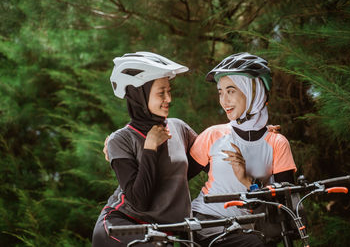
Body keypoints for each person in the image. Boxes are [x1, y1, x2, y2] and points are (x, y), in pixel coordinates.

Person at [189, 52, 297, 247]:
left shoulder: (277, 143)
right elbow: (175, 177)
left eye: (231, 91)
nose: (224, 100)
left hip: (249, 227)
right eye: (220, 92)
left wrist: (248, 182)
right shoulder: (214, 135)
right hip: (208, 222)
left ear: (253, 91)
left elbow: (285, 200)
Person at [92, 52, 198, 247]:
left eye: (169, 90)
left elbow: (213, 154)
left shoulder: (179, 128)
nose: (169, 98)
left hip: (161, 234)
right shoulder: (121, 139)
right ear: (139, 94)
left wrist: (257, 133)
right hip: (121, 227)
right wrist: (150, 147)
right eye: (161, 92)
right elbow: (140, 201)